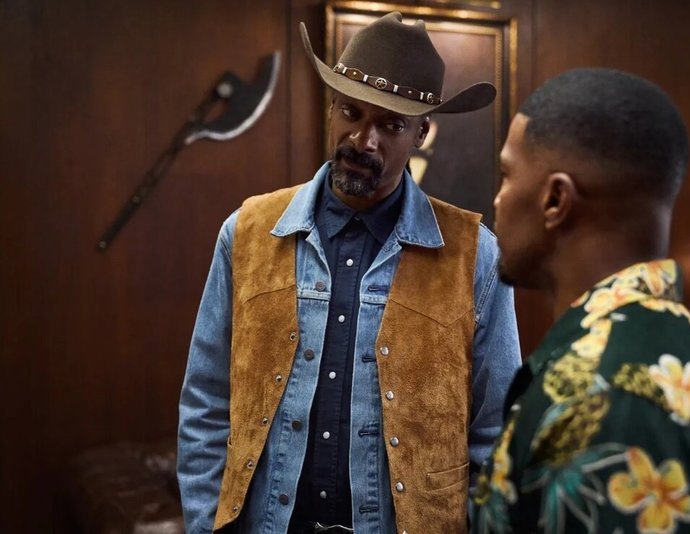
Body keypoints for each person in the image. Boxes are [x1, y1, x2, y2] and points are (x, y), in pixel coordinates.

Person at [177, 11, 521, 534]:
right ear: (331, 107)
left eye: (391, 125)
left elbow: (497, 436)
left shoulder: (474, 256)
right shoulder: (248, 232)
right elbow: (205, 404)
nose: (364, 141)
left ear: (422, 133)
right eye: (351, 112)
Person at [472, 68, 690, 533]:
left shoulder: (602, 397)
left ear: (555, 199)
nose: (497, 200)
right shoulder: (682, 349)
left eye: (507, 175)